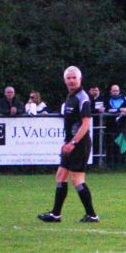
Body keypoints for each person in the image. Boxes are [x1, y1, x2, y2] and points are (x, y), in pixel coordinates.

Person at [38, 66, 98, 223]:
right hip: (70, 143)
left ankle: (92, 215)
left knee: (77, 179)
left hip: (80, 144)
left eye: (74, 78)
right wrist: (66, 142)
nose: (71, 80)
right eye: (68, 78)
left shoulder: (82, 97)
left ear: (80, 79)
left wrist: (73, 142)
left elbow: (86, 124)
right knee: (61, 175)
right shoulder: (70, 96)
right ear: (65, 80)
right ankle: (55, 214)